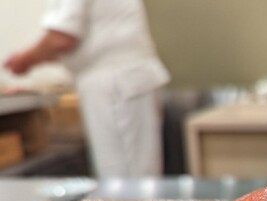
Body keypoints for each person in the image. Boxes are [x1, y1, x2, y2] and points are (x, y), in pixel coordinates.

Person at [3, 0, 170, 177]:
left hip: (116, 82)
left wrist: (23, 60)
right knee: (132, 174)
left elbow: (61, 38)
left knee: (124, 176)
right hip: (119, 80)